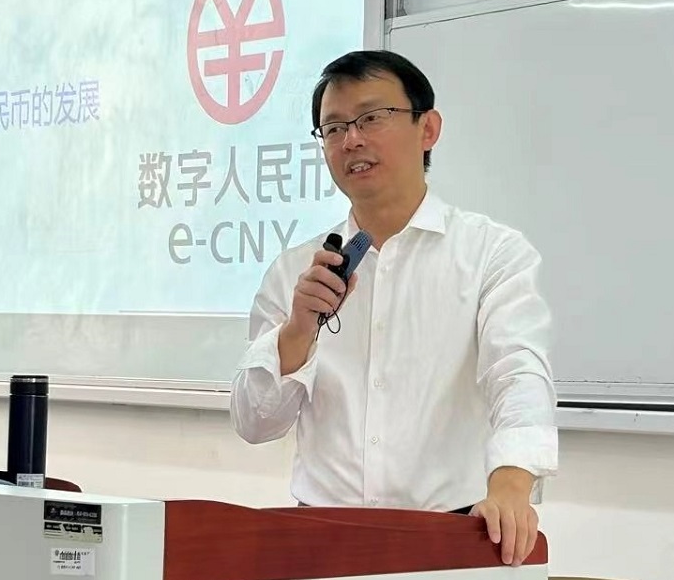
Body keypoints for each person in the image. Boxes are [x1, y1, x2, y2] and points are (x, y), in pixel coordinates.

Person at [229, 49, 557, 567]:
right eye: (333, 128)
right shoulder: (296, 271)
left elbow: (518, 373)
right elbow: (255, 423)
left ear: (428, 129)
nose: (351, 140)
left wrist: (512, 485)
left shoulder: (491, 254)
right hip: (319, 542)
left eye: (372, 118)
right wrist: (296, 332)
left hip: (448, 539)